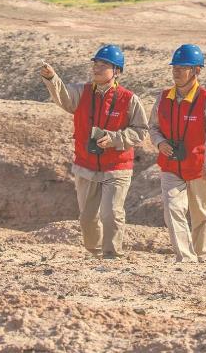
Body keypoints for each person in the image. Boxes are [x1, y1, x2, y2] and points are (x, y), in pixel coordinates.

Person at [40, 44, 148, 258]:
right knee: (87, 218)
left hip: (117, 167)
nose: (97, 68)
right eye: (96, 64)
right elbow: (64, 98)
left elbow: (141, 132)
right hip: (86, 166)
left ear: (116, 71)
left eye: (103, 65)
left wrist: (116, 138)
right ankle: (95, 252)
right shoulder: (82, 92)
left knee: (111, 213)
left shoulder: (129, 99)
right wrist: (52, 78)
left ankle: (112, 254)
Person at [150, 44, 206, 263]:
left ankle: (200, 257)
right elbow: (153, 127)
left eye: (182, 67)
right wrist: (159, 143)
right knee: (172, 209)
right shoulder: (162, 98)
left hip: (200, 167)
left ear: (196, 71)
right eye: (175, 66)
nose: (176, 71)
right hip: (171, 166)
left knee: (201, 215)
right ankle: (186, 258)